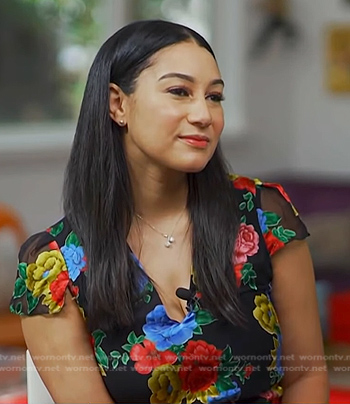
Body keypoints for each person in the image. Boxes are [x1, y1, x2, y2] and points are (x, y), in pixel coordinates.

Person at [9, 20, 328, 404]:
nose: (204, 115)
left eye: (215, 97)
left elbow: (306, 374)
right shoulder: (53, 267)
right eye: (180, 92)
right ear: (117, 104)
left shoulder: (263, 216)